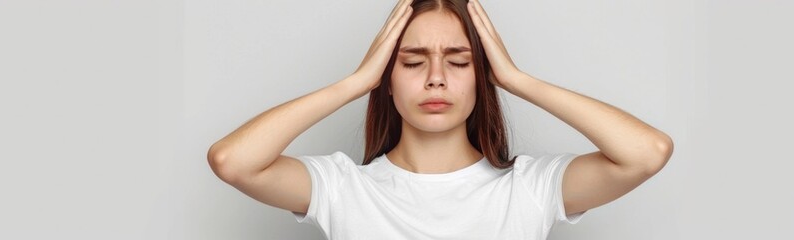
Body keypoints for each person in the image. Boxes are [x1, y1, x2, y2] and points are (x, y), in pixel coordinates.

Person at [207, 0, 673, 239]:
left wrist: (515, 78)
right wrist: (354, 82)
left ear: (481, 76)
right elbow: (233, 161)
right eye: (411, 63)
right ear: (388, 80)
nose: (435, 79)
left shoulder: (528, 188)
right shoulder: (343, 188)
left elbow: (646, 153)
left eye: (458, 61)